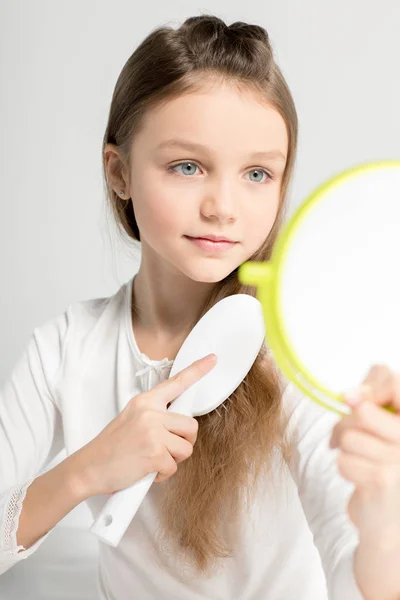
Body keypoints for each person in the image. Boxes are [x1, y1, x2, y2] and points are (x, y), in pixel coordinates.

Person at [1, 14, 400, 600]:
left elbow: (359, 578)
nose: (224, 207)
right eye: (187, 166)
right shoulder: (66, 348)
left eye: (257, 173)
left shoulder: (293, 357)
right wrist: (88, 468)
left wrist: (384, 520)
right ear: (120, 172)